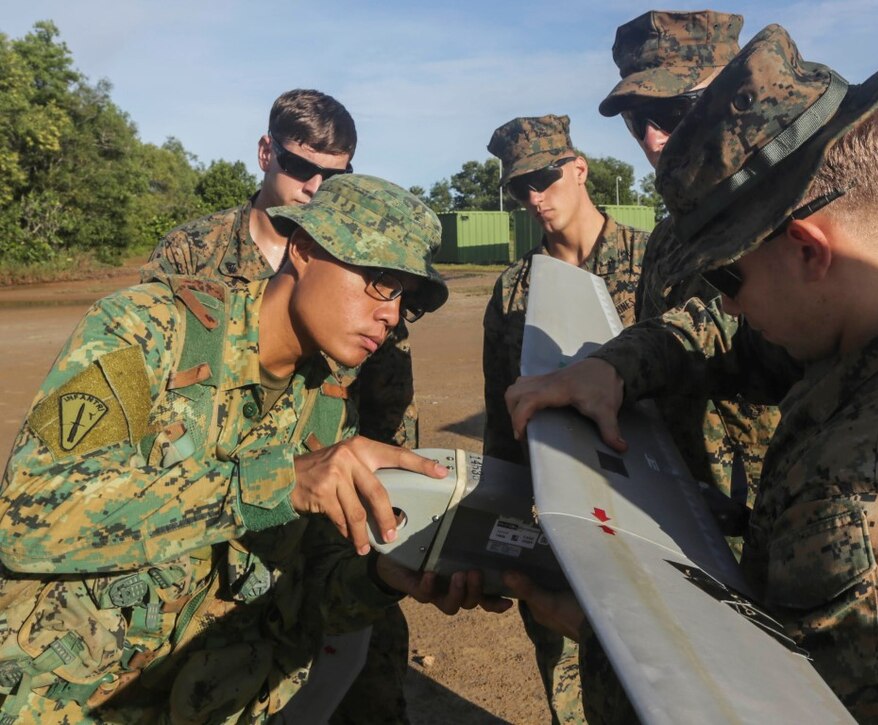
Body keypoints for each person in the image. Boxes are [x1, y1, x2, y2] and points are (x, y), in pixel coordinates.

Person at [504, 25, 878, 722]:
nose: (727, 301)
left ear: (807, 248)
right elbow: (734, 341)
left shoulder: (861, 514)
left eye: (725, 275)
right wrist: (617, 367)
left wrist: (601, 627)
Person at [0, 174, 507, 723]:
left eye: (406, 298)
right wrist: (273, 483)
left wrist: (385, 579)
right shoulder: (148, 329)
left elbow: (315, 597)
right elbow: (26, 521)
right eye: (381, 280)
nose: (391, 314)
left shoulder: (331, 410)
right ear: (305, 248)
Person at [143, 89, 415, 724]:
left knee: (365, 678)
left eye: (335, 174)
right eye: (301, 167)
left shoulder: (363, 265)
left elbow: (380, 406)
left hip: (314, 513)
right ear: (266, 153)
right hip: (202, 512)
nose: (316, 186)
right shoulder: (193, 251)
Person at [482, 114, 649, 723]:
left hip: (645, 506)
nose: (533, 197)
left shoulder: (653, 262)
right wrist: (498, 527)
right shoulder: (514, 290)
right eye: (518, 188)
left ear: (579, 169)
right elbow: (503, 420)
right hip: (555, 514)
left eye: (544, 178)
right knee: (568, 681)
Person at [599, 10, 784, 519]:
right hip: (688, 515)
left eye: (673, 114)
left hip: (781, 523)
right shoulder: (666, 242)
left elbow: (745, 328)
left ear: (737, 97)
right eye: (638, 121)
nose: (654, 140)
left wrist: (617, 364)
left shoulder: (796, 217)